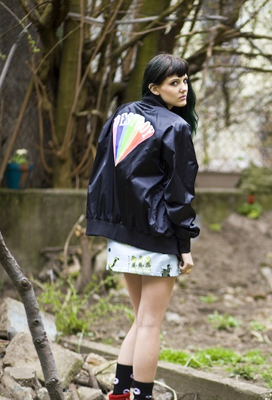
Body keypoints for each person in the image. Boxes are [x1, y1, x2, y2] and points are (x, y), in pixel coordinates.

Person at [86, 54, 200, 400]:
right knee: (150, 323)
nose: (183, 88)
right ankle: (142, 396)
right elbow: (179, 194)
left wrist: (104, 221)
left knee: (140, 320)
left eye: (184, 80)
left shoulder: (122, 115)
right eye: (174, 83)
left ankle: (121, 394)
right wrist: (184, 244)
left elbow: (103, 171)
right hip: (157, 236)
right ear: (154, 87)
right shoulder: (175, 127)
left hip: (121, 235)